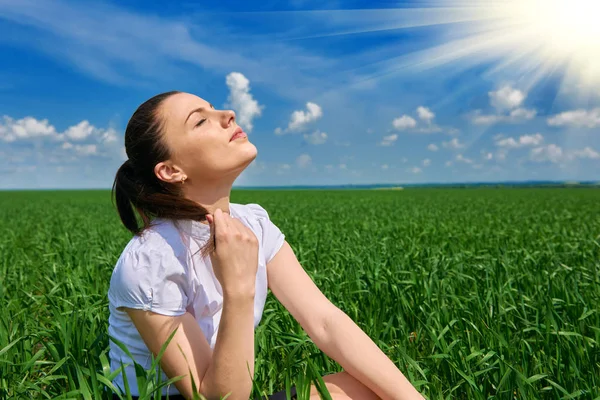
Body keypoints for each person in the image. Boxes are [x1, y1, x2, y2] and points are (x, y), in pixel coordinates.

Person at [108, 91, 424, 400]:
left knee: (365, 387)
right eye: (200, 121)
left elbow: (325, 321)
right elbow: (216, 398)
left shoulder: (255, 224)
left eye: (214, 108)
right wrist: (239, 288)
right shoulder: (150, 261)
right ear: (171, 171)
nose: (227, 115)